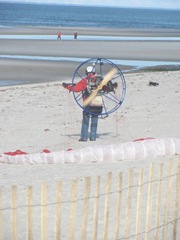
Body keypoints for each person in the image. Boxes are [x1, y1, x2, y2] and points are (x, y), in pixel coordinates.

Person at [62, 66, 103, 142]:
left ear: (87, 72)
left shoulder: (85, 81)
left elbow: (76, 89)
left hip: (87, 104)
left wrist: (67, 86)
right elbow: (106, 88)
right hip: (97, 102)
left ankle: (84, 138)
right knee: (95, 120)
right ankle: (93, 137)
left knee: (85, 121)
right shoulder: (99, 80)